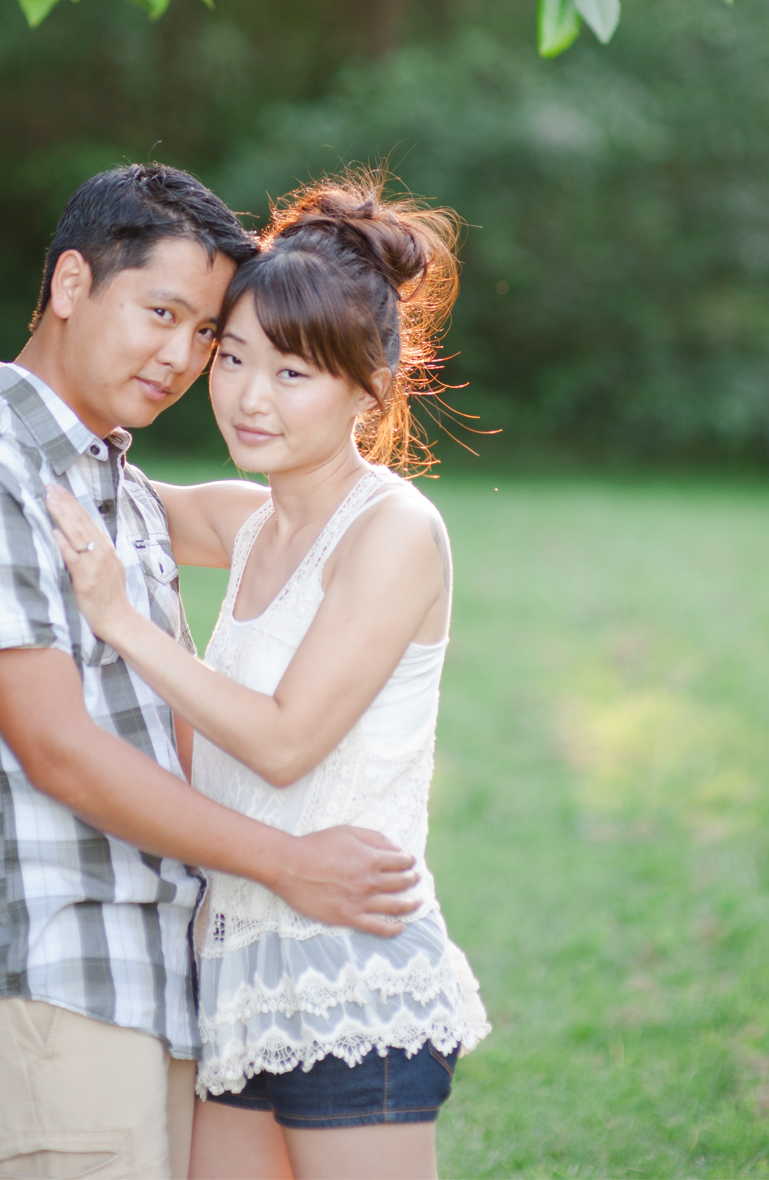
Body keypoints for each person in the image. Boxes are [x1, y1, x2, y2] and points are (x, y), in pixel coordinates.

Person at [0, 164, 425, 1180]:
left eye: (204, 332)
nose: (184, 358)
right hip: (57, 977)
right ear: (71, 283)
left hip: (184, 978)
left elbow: (287, 544)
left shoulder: (107, 482)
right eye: (164, 314)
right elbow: (61, 752)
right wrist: (293, 862)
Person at [41, 173, 489, 1180]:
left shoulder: (395, 532)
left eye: (292, 374)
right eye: (232, 358)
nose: (246, 396)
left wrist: (123, 622)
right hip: (238, 974)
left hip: (351, 973)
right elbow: (102, 479)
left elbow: (287, 742)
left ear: (368, 386)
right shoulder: (253, 525)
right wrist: (1, 390)